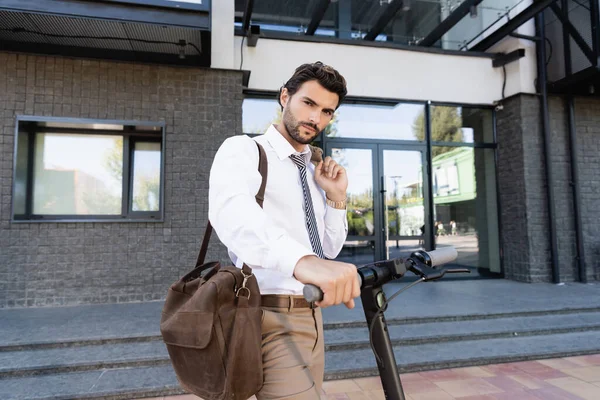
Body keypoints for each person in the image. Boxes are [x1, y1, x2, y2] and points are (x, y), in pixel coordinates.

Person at [208, 62, 360, 400]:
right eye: (308, 103)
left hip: (313, 314)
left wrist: (336, 198)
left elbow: (328, 251)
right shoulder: (244, 150)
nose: (315, 118)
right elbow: (232, 213)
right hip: (269, 314)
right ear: (285, 96)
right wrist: (302, 261)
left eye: (326, 112)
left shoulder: (316, 169)